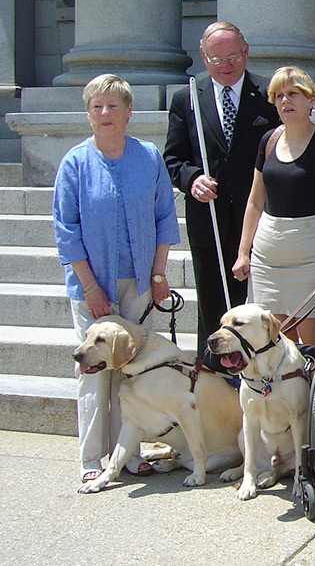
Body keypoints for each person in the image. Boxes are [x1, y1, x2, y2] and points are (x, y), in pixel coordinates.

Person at [53, 74, 180, 483]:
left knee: (133, 371)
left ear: (128, 111)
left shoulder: (148, 157)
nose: (105, 113)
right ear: (88, 113)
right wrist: (90, 288)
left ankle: (127, 454)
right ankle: (92, 457)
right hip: (94, 285)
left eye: (113, 106)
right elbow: (66, 231)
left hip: (139, 284)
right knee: (93, 373)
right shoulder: (75, 162)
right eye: (97, 106)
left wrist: (159, 273)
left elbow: (164, 218)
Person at [164, 21, 279, 365]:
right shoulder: (187, 97)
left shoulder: (270, 93)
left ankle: (256, 368)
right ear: (203, 56)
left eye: (233, 56)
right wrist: (192, 178)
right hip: (209, 218)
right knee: (213, 301)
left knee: (254, 305)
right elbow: (173, 157)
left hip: (257, 216)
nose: (226, 65)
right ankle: (215, 374)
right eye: (216, 59)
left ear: (246, 51)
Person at [232, 66, 315, 353]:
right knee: (275, 348)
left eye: (293, 94)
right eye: (279, 95)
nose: (285, 101)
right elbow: (255, 200)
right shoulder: (268, 140)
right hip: (267, 256)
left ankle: (311, 400)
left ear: (311, 100)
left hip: (312, 255)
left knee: (314, 350)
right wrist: (243, 252)